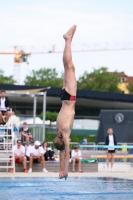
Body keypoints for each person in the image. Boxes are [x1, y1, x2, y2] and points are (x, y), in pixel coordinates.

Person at [53, 25, 77, 180]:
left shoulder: (65, 133)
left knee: (70, 67)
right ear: (58, 141)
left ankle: (68, 40)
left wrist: (65, 171)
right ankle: (68, 41)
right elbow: (63, 152)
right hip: (64, 98)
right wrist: (62, 171)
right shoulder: (60, 131)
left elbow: (65, 152)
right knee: (67, 67)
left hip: (69, 99)